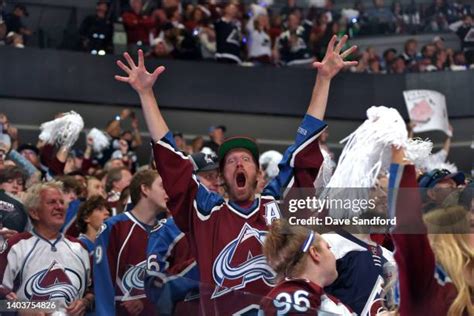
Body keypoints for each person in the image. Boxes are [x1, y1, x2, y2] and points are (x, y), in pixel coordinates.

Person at [114, 34, 357, 313]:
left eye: (246, 159)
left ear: (258, 174)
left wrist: (323, 80)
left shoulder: (276, 205)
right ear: (220, 177)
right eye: (230, 161)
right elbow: (172, 162)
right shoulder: (206, 213)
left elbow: (302, 152)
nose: (239, 164)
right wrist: (146, 94)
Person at [388, 146, 474, 315]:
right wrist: (399, 157)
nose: (454, 189)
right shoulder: (428, 282)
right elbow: (408, 229)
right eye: (472, 225)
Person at [0, 182, 93, 314]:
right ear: (34, 212)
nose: (60, 207)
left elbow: (95, 292)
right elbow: (1, 303)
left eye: (62, 202)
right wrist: (22, 310)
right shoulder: (16, 246)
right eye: (52, 202)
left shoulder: (80, 247)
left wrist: (85, 302)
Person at [94, 169, 169, 316]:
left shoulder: (167, 230)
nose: (168, 192)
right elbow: (103, 282)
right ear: (145, 189)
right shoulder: (114, 227)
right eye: (162, 186)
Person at [261, 220, 354, 315]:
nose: (333, 255)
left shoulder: (317, 298)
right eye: (328, 247)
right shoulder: (292, 298)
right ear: (315, 253)